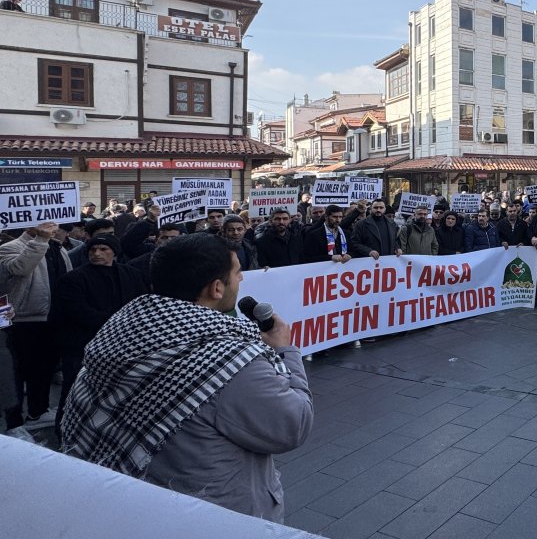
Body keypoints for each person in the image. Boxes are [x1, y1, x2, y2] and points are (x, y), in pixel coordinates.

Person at [60, 233, 313, 521]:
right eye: (237, 273)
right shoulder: (230, 361)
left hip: (133, 504)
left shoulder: (119, 331)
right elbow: (293, 425)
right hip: (214, 515)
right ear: (217, 288)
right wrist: (284, 350)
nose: (241, 280)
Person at [49, 234, 148, 433]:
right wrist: (118, 322)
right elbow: (76, 311)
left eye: (103, 249)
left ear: (114, 252)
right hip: (82, 346)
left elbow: (141, 304)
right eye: (93, 250)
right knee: (74, 389)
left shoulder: (131, 274)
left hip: (122, 345)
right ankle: (64, 430)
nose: (97, 253)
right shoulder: (73, 279)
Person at [0, 221, 72, 429]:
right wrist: (41, 240)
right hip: (18, 319)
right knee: (15, 372)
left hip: (50, 318)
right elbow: (19, 268)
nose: (51, 225)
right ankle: (14, 424)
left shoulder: (58, 248)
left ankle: (37, 412)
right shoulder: (9, 248)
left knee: (43, 369)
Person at [128, 223, 184, 288]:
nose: (169, 241)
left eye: (174, 238)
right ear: (156, 240)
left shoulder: (189, 261)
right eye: (164, 238)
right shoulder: (138, 264)